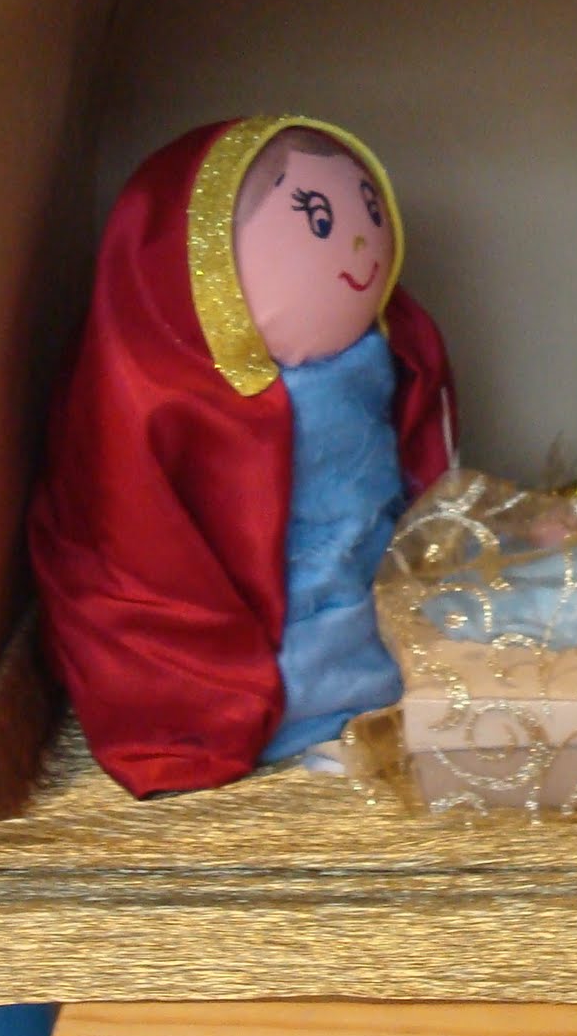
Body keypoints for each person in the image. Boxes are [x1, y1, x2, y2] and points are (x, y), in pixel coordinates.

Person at [29, 116, 453, 796]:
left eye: (369, 213)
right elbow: (136, 542)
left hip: (375, 587)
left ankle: (364, 679)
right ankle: (315, 701)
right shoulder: (159, 396)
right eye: (317, 222)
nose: (359, 242)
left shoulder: (385, 348)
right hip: (270, 627)